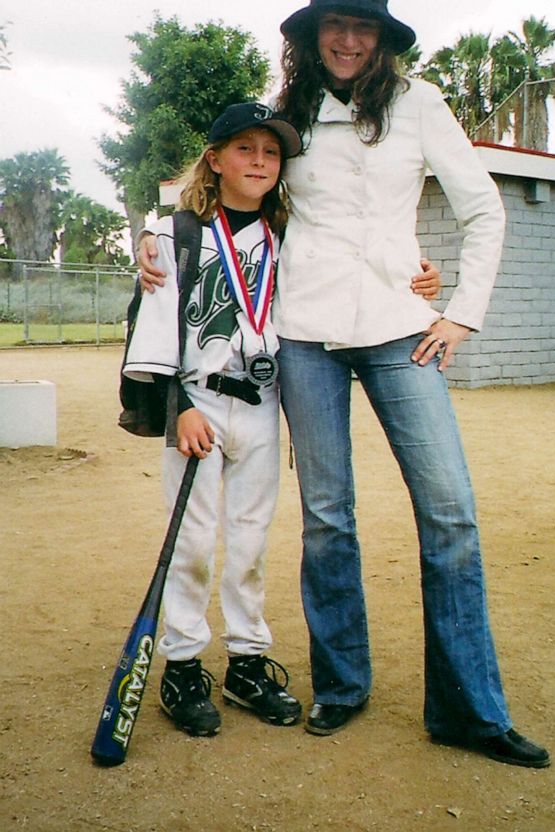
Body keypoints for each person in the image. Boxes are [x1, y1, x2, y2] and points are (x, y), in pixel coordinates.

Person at [139, 0, 549, 768]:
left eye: (364, 27)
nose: (349, 40)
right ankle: (342, 686)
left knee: (450, 512)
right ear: (314, 31)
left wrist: (459, 311)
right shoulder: (286, 110)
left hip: (405, 330)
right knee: (328, 517)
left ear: (383, 36)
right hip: (304, 335)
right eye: (337, 24)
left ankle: (468, 708)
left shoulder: (422, 104)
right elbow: (223, 184)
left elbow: (485, 211)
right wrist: (151, 240)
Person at [123, 102, 306, 738]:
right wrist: (181, 408)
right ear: (216, 159)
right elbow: (154, 326)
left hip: (262, 404)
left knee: (251, 540)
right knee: (194, 542)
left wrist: (419, 275)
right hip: (197, 406)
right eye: (245, 149)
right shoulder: (178, 235)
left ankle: (247, 663)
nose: (259, 162)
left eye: (272, 153)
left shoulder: (287, 235)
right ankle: (181, 665)